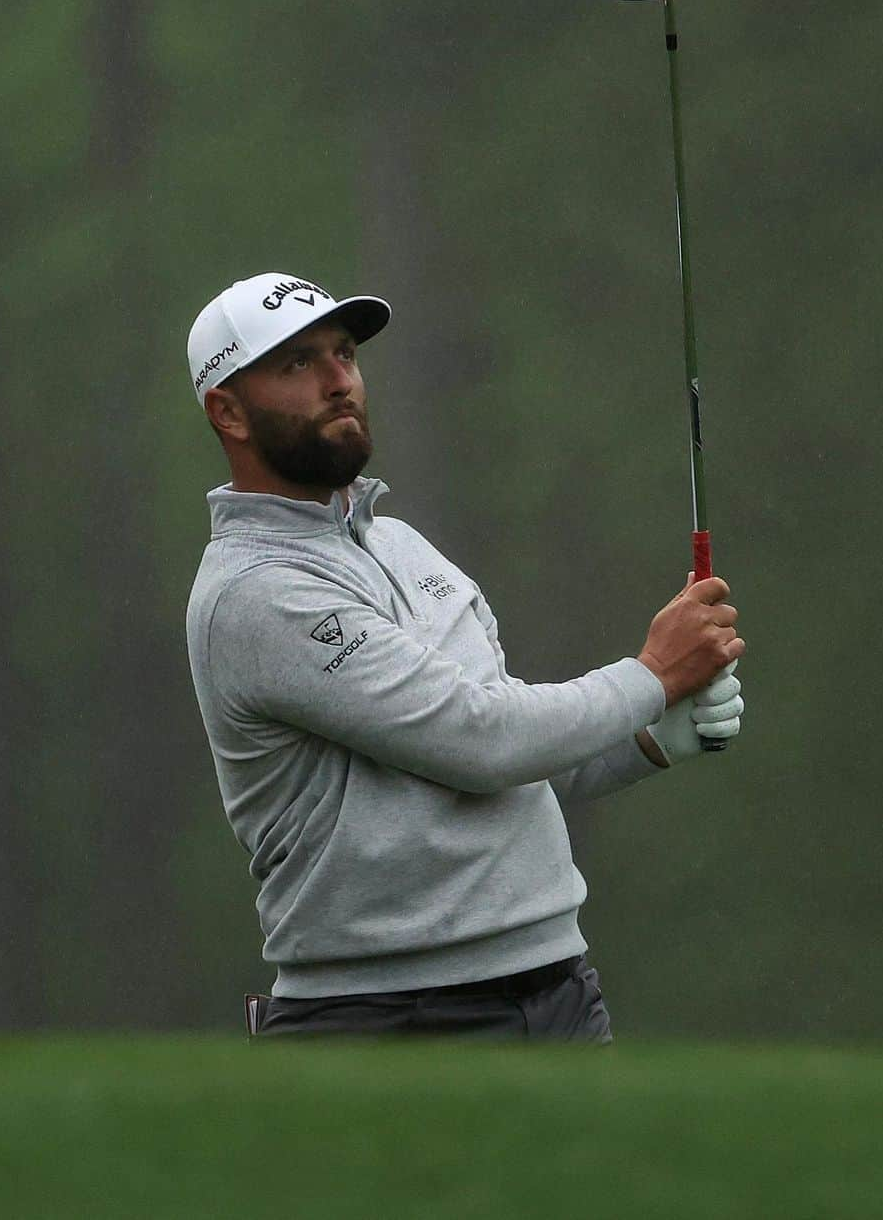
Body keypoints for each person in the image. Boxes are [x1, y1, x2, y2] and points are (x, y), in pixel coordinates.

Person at [185, 271, 745, 1041]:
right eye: (296, 364)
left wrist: (653, 736)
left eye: (344, 354)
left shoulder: (403, 546)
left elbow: (523, 757)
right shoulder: (253, 594)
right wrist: (652, 676)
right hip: (385, 1016)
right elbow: (482, 740)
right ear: (227, 411)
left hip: (558, 991)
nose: (338, 381)